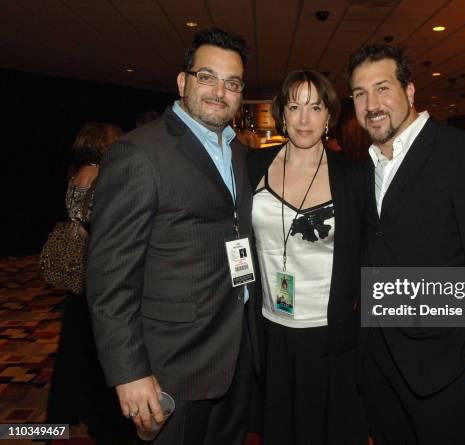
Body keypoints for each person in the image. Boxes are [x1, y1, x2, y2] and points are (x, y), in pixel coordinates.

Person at [86, 28, 258, 445]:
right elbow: (110, 277)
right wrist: (129, 372)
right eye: (207, 77)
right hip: (172, 366)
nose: (220, 91)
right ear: (183, 82)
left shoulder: (238, 152)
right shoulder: (139, 154)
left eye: (232, 82)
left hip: (235, 354)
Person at [346, 43, 465, 445]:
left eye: (382, 88)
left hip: (450, 373)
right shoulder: (365, 169)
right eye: (360, 93)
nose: (371, 104)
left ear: (409, 92)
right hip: (379, 368)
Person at [248, 69, 367, 445]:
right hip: (271, 326)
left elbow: (372, 252)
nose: (304, 119)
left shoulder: (352, 176)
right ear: (282, 113)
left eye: (315, 107)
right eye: (295, 106)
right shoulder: (252, 165)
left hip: (329, 333)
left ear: (329, 116)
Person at [46, 122, 134, 445]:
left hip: (75, 275)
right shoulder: (102, 178)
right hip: (94, 269)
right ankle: (101, 417)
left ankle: (75, 408)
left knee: (77, 344)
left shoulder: (76, 175)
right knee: (97, 347)